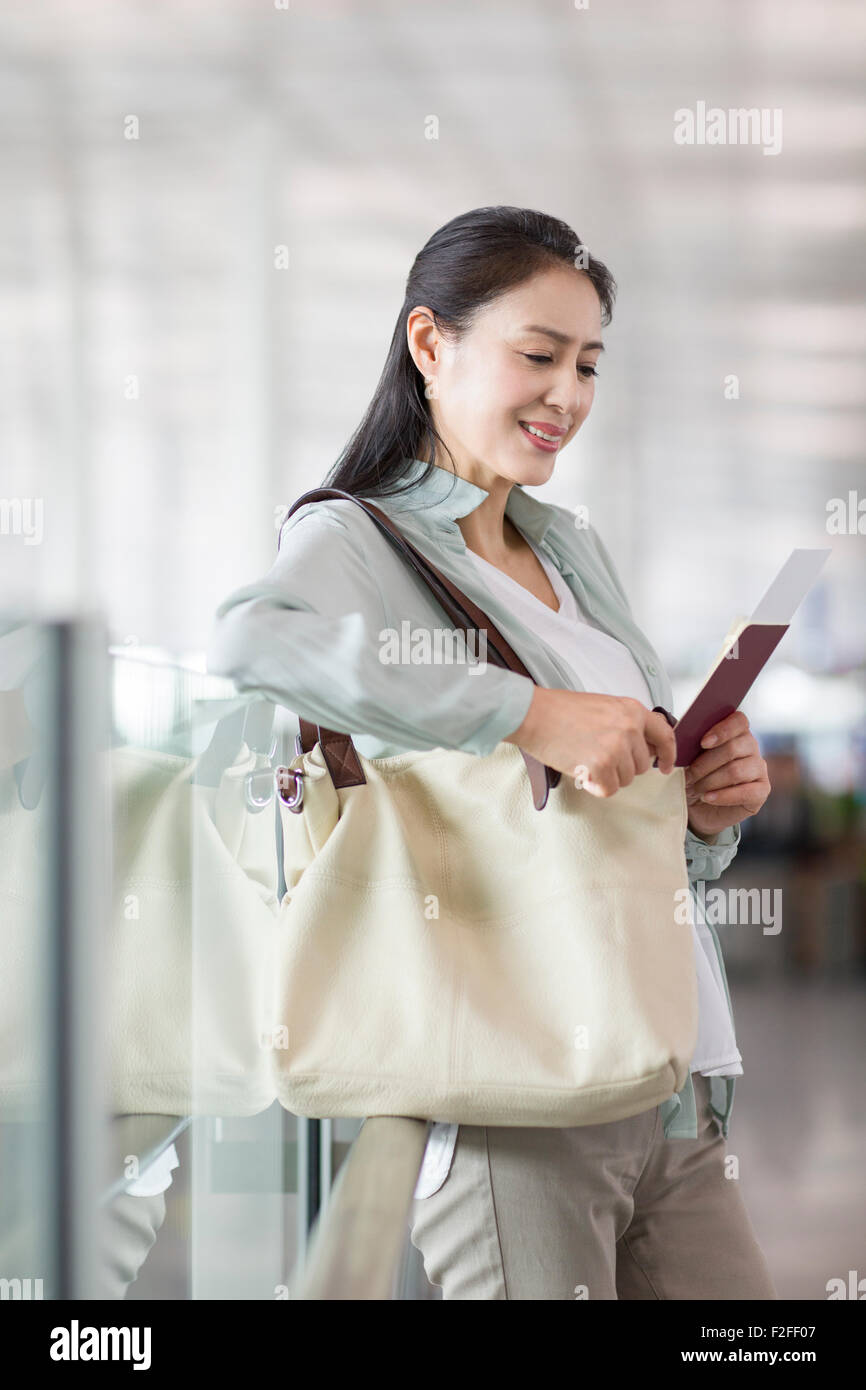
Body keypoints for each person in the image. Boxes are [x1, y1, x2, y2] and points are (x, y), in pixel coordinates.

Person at [207, 204, 778, 1300]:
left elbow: (613, 832)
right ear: (430, 344)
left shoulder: (571, 550)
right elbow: (250, 640)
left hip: (673, 1085)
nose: (567, 395)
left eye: (589, 364)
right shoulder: (355, 537)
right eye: (538, 355)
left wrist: (704, 815)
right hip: (515, 1102)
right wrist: (525, 712)